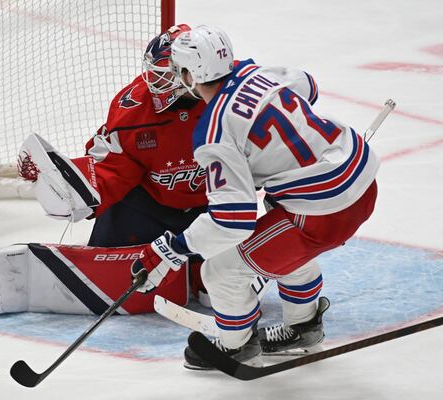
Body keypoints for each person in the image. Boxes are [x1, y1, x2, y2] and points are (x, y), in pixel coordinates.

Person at [130, 25, 379, 369]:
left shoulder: (215, 131)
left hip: (324, 212)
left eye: (178, 68)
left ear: (191, 73)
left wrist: (173, 248)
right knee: (277, 225)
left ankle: (235, 347)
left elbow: (233, 221)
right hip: (360, 177)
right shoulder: (256, 71)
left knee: (220, 273)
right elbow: (309, 84)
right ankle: (303, 324)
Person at [0, 24, 213, 315]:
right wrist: (75, 192)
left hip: (215, 206)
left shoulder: (231, 102)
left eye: (165, 74)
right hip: (148, 205)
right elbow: (113, 167)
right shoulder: (135, 111)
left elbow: (259, 168)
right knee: (109, 268)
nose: (154, 82)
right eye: (155, 71)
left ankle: (208, 269)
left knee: (216, 288)